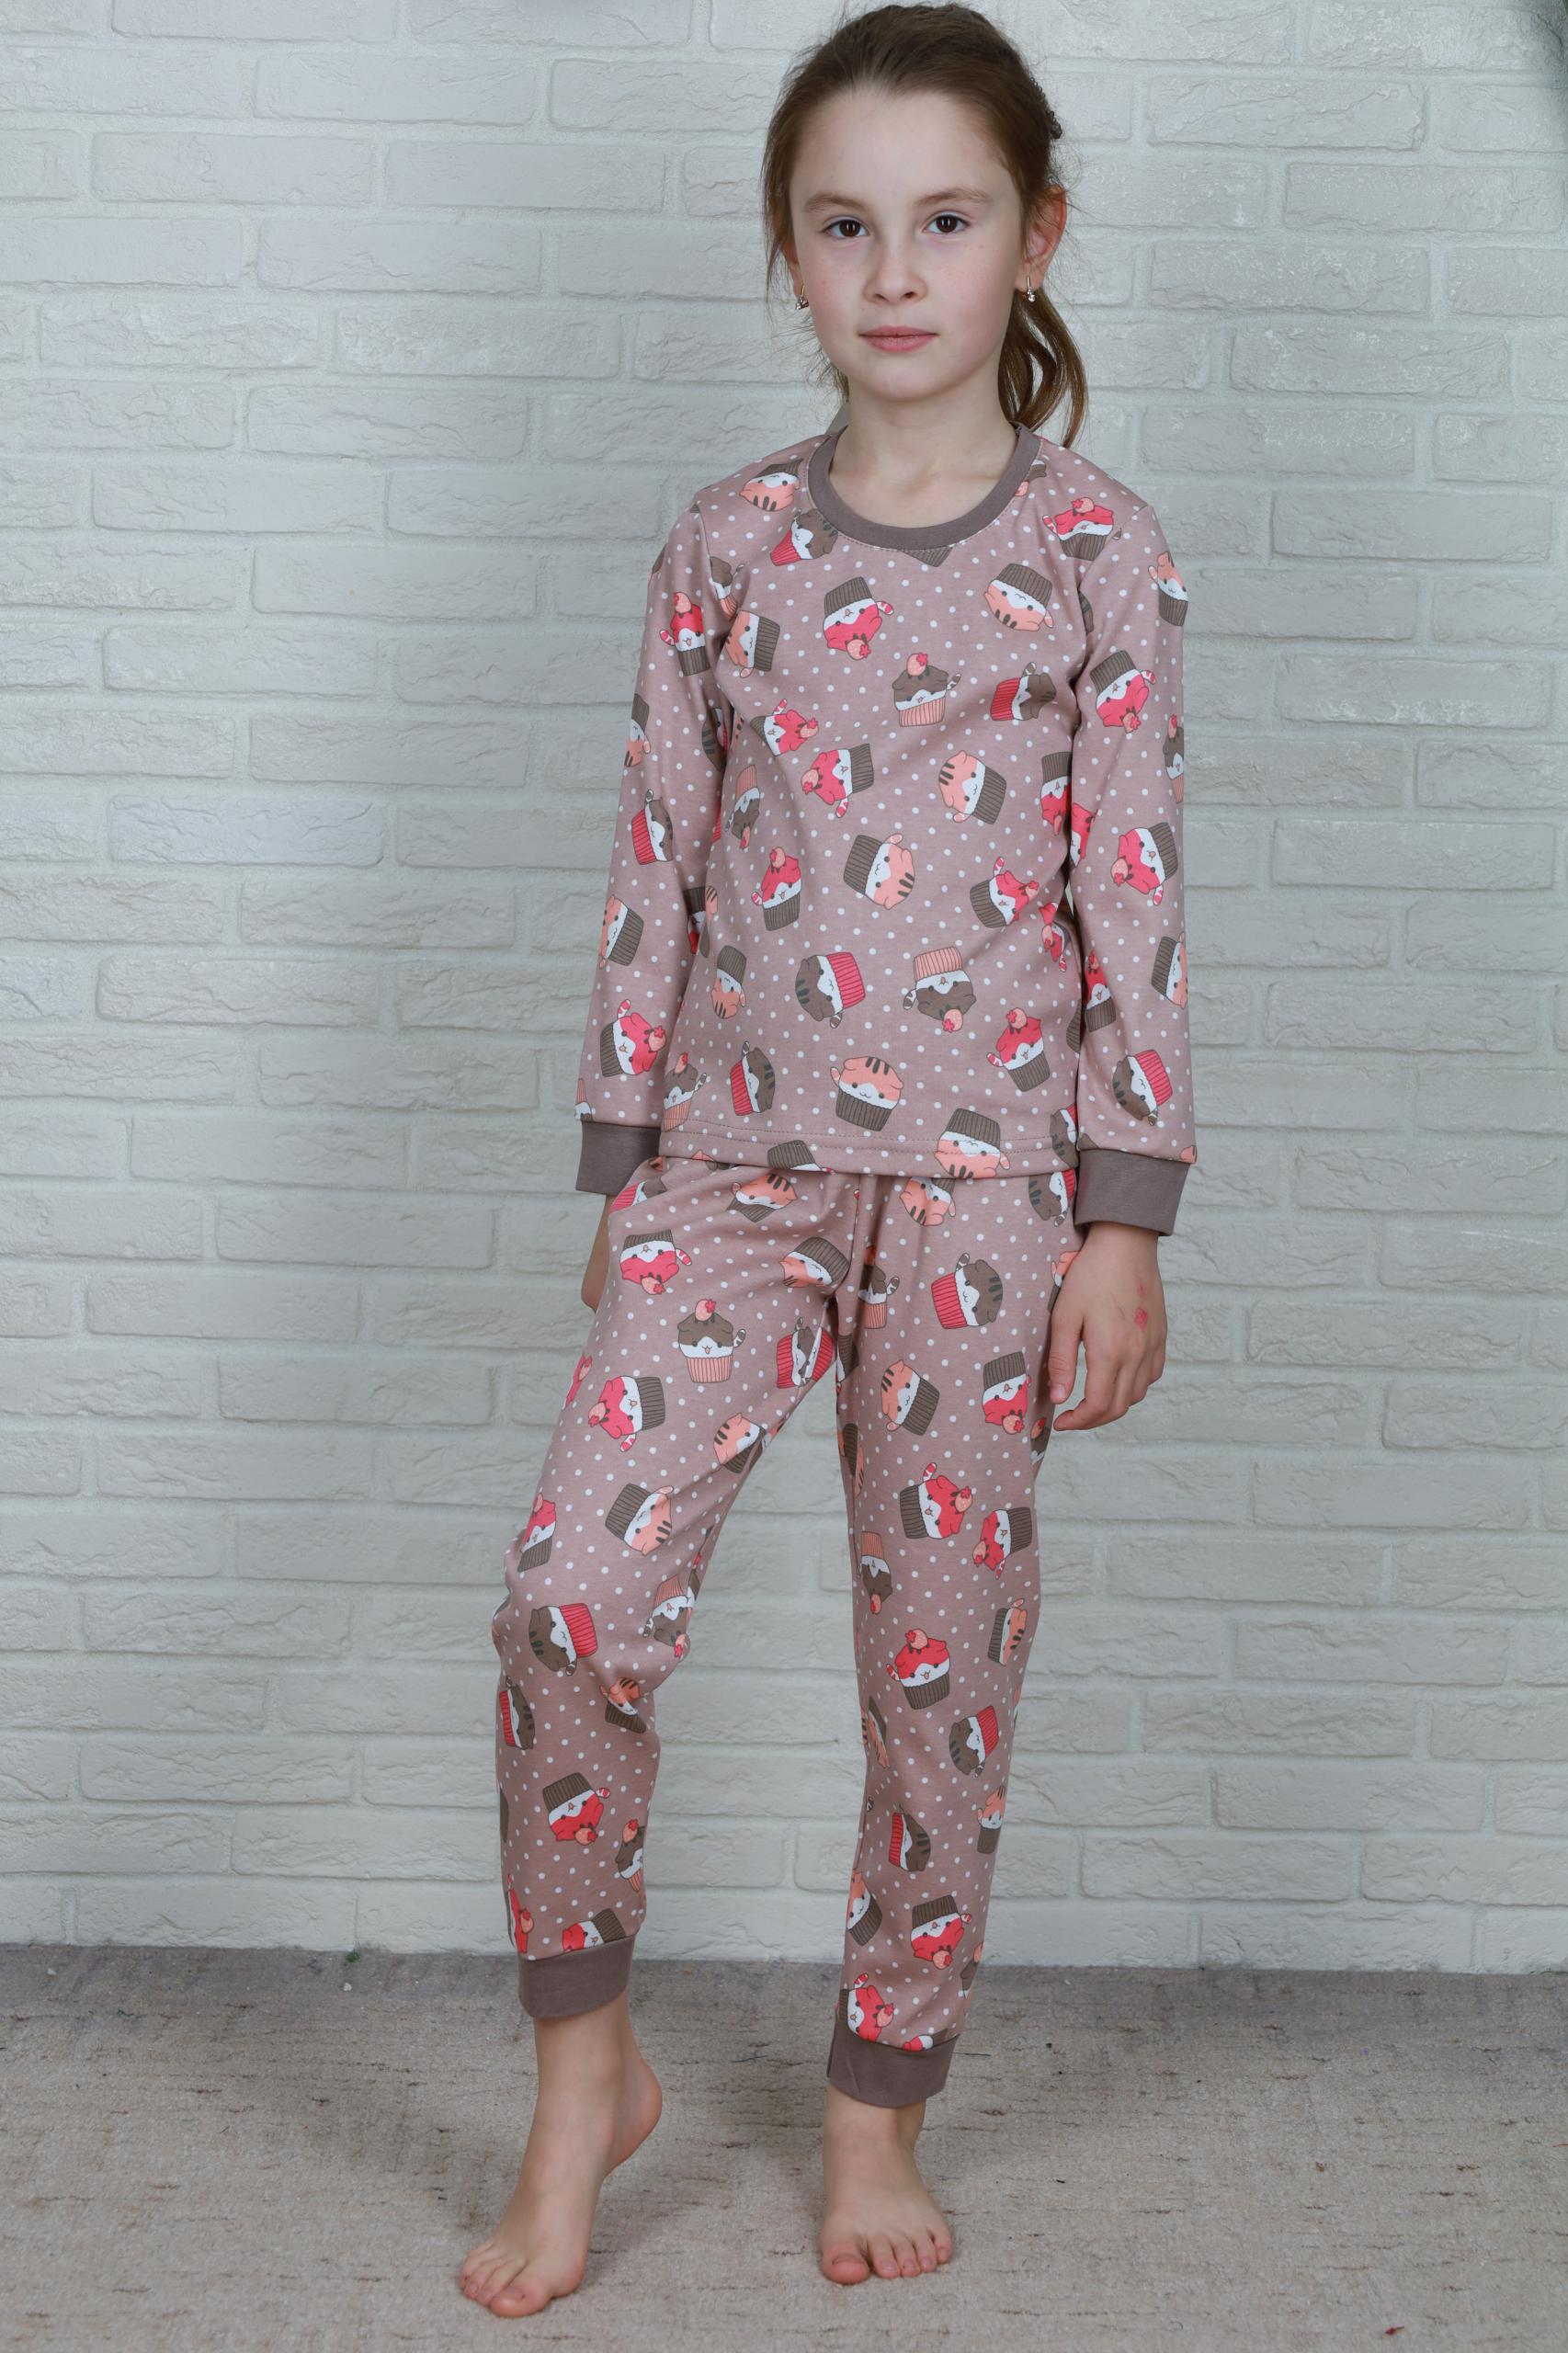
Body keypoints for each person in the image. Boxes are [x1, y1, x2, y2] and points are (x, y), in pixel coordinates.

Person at [460, 0, 1197, 2314]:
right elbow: (657, 853)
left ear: (1035, 235)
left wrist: (1124, 1216)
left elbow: (1132, 896)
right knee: (570, 1595)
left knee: (937, 1666)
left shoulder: (1096, 550)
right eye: (843, 225)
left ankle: (877, 2095)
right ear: (787, 250)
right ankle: (584, 2074)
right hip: (726, 1165)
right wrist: (621, 1159)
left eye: (944, 221)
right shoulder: (725, 545)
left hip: (993, 1193)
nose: (894, 273)